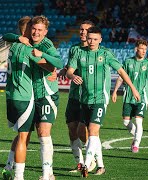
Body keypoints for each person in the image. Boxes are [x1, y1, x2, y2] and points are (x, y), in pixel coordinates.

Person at [66, 26, 140, 178]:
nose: (91, 41)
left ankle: (86, 164)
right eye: (89, 38)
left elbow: (121, 71)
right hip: (84, 100)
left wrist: (133, 88)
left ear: (100, 40)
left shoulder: (105, 54)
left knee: (93, 130)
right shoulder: (79, 53)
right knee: (88, 132)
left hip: (100, 99)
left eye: (95, 39)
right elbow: (69, 71)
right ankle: (100, 165)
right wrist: (73, 76)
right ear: (86, 39)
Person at [2, 15, 63, 180]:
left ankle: (47, 174)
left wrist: (44, 57)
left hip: (46, 94)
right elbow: (6, 36)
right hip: (30, 96)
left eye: (39, 30)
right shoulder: (23, 45)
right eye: (33, 29)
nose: (35, 32)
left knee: (43, 133)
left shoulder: (46, 44)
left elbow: (58, 62)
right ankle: (10, 166)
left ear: (45, 32)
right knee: (25, 134)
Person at [58, 20, 97, 173]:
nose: (82, 32)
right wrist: (63, 71)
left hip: (87, 97)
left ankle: (91, 158)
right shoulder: (74, 49)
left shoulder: (95, 51)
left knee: (82, 130)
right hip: (73, 95)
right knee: (71, 128)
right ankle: (79, 162)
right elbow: (69, 67)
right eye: (81, 29)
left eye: (86, 30)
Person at [112, 39, 148, 153]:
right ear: (136, 49)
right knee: (126, 122)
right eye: (141, 49)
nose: (143, 51)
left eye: (145, 49)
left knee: (138, 121)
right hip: (128, 96)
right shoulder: (128, 62)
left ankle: (136, 144)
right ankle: (136, 136)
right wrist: (115, 91)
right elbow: (121, 77)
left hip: (142, 97)